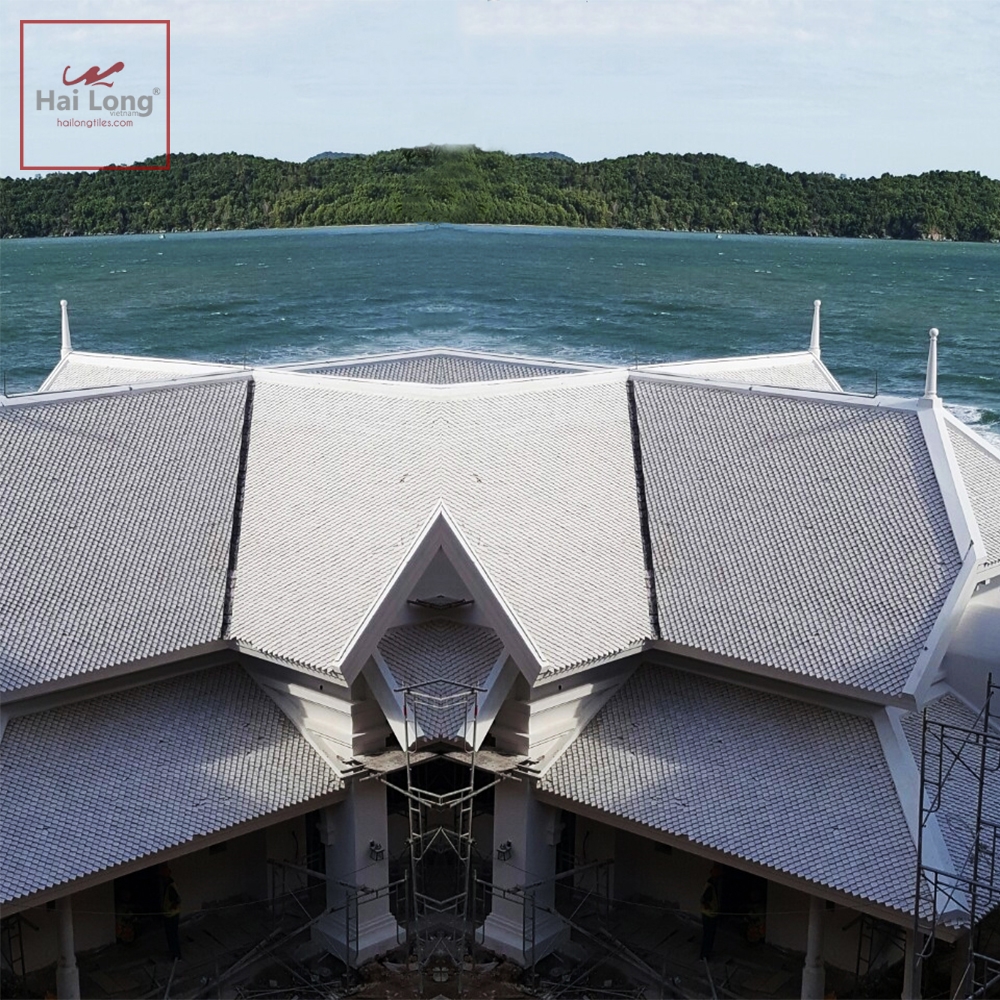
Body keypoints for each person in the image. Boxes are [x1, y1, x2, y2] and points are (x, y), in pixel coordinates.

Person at [699, 865, 721, 961]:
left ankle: (706, 953)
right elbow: (704, 900)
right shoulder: (710, 887)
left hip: (709, 914)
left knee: (708, 935)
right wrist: (710, 908)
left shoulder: (711, 884)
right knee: (708, 936)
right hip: (709, 915)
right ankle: (704, 955)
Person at [160, 866, 182, 961]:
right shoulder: (169, 884)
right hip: (170, 914)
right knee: (171, 935)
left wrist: (171, 907)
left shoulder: (170, 886)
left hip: (171, 915)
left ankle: (176, 955)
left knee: (172, 936)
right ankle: (174, 953)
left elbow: (177, 900)